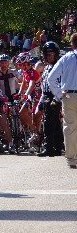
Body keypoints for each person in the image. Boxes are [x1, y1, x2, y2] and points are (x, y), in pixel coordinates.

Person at [46, 33, 77, 168]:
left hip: (69, 95)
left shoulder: (66, 58)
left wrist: (59, 93)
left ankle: (72, 159)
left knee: (70, 128)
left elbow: (51, 78)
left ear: (72, 45)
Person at [37, 41, 63, 157]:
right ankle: (57, 147)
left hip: (56, 97)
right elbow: (44, 87)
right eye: (47, 55)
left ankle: (49, 148)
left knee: (49, 123)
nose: (49, 57)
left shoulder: (60, 67)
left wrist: (58, 99)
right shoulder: (46, 68)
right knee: (54, 123)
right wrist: (41, 101)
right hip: (47, 96)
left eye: (51, 54)